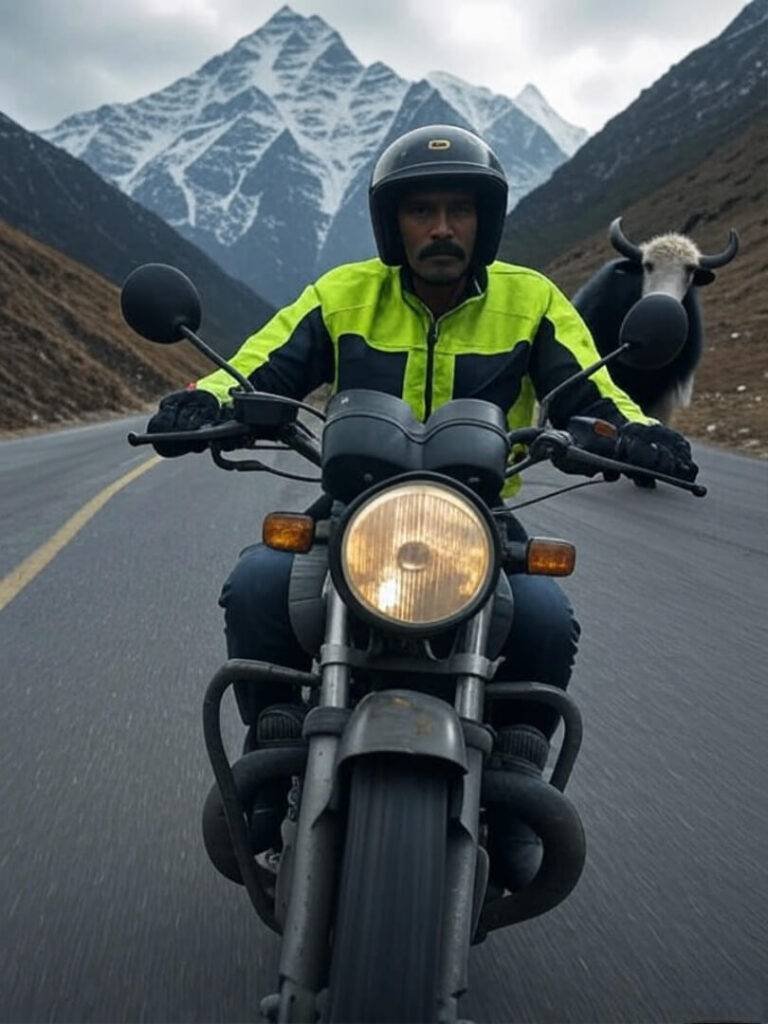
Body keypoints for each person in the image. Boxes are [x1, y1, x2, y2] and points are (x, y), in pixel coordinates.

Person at [146, 124, 698, 889]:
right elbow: (255, 368)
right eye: (422, 211)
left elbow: (590, 395)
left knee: (544, 615)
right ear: (391, 223)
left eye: (460, 210)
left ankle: (514, 780)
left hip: (481, 521)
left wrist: (638, 436)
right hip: (352, 513)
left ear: (486, 219)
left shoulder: (530, 300)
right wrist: (199, 403)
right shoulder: (342, 295)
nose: (442, 228)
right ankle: (272, 751)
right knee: (257, 585)